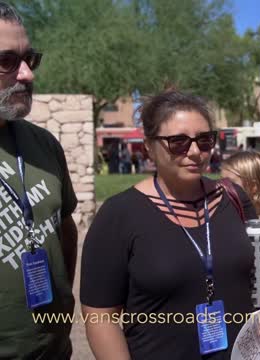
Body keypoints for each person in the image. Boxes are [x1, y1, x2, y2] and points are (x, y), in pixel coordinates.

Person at [80, 91, 260, 360]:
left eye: (204, 140)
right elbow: (100, 316)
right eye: (178, 142)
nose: (194, 152)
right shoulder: (118, 214)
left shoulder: (234, 197)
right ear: (148, 146)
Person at [0, 3, 78, 358]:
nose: (27, 74)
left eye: (29, 58)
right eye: (7, 61)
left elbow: (65, 227)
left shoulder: (43, 144)